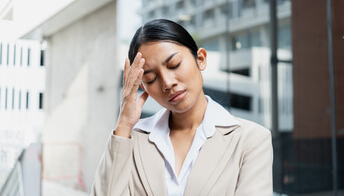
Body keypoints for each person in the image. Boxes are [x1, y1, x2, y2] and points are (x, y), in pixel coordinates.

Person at [90, 19, 273, 196]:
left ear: (200, 59)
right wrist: (123, 125)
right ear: (144, 87)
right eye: (151, 78)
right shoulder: (132, 140)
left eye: (174, 65)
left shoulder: (251, 140)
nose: (167, 83)